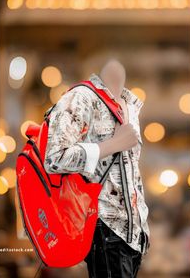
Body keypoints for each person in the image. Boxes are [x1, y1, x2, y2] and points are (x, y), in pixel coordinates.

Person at [44, 58, 150, 278]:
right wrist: (111, 145)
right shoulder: (81, 98)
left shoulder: (131, 104)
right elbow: (54, 158)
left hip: (133, 235)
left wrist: (142, 227)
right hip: (103, 227)